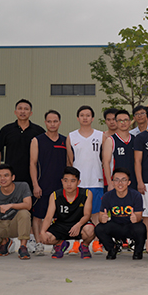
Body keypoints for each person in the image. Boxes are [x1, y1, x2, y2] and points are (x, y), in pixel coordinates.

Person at [29, 110, 70, 252]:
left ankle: (57, 244)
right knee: (38, 216)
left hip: (60, 187)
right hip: (43, 185)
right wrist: (35, 185)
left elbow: (68, 164)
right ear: (45, 122)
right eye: (49, 121)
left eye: (55, 121)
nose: (52, 124)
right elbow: (33, 164)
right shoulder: (37, 140)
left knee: (60, 217)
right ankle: (38, 243)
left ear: (60, 122)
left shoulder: (65, 140)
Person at [39, 166, 96, 259]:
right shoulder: (55, 195)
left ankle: (84, 246)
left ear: (78, 182)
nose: (69, 184)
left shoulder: (86, 194)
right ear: (62, 181)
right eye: (66, 181)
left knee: (91, 230)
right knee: (45, 238)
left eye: (73, 181)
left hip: (79, 224)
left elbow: (87, 215)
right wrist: (42, 232)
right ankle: (60, 244)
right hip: (61, 224)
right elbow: (49, 216)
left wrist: (78, 225)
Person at [0, 164, 33, 259]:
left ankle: (23, 247)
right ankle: (5, 241)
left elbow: (28, 205)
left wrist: (11, 205)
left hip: (16, 224)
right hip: (0, 223)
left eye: (6, 175)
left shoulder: (23, 186)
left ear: (13, 177)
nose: (2, 179)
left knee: (24, 213)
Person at [95, 167, 146, 260]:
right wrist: (102, 219)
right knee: (99, 228)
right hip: (116, 225)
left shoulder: (136, 195)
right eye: (117, 180)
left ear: (129, 182)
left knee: (141, 228)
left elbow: (139, 215)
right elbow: (101, 216)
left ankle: (138, 251)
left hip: (130, 225)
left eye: (123, 180)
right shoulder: (107, 196)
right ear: (113, 182)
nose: (120, 183)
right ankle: (112, 249)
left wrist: (136, 218)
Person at [0, 99, 45, 190]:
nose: (23, 111)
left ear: (31, 113)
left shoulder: (38, 131)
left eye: (26, 109)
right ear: (15, 112)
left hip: (32, 178)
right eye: (20, 108)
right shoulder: (6, 130)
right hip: (11, 178)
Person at [66, 105, 104, 225]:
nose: (85, 118)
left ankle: (97, 236)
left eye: (88, 115)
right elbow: (70, 162)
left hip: (96, 181)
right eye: (82, 115)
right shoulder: (71, 136)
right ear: (78, 118)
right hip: (78, 183)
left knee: (96, 214)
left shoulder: (101, 136)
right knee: (78, 214)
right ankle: (79, 237)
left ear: (92, 118)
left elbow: (105, 160)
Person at [102, 109, 137, 192]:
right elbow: (106, 163)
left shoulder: (135, 139)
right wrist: (110, 183)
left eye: (125, 120)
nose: (123, 123)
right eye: (120, 121)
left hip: (133, 181)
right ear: (116, 123)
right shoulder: (111, 140)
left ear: (130, 122)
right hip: (117, 182)